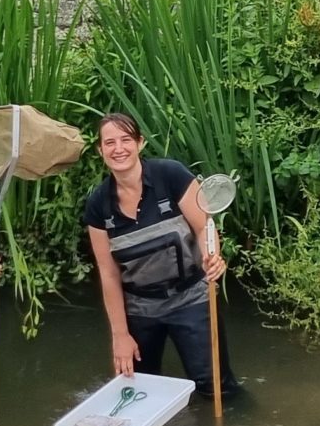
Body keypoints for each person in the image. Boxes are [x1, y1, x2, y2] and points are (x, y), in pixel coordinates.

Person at [81, 112, 239, 400]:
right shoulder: (98, 205)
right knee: (138, 388)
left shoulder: (171, 175)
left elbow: (204, 226)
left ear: (140, 143)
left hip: (192, 297)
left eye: (126, 140)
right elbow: (108, 272)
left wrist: (211, 257)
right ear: (100, 150)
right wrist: (120, 336)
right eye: (110, 142)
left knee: (215, 389)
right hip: (140, 308)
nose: (119, 149)